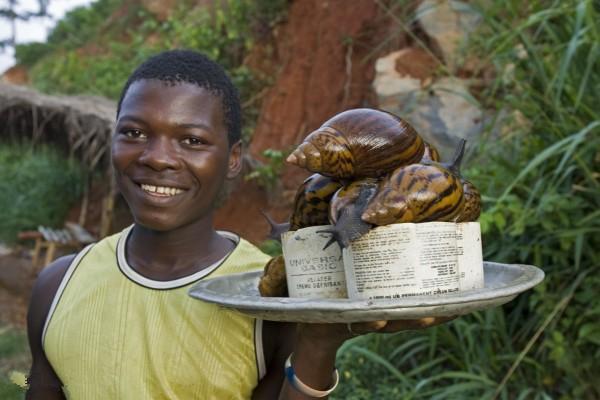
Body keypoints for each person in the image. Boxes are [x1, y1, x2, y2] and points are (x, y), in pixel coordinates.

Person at [26, 49, 453, 399]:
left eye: (191, 140)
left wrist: (319, 343)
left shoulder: (270, 297)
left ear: (232, 159)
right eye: (134, 133)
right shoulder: (58, 287)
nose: (156, 157)